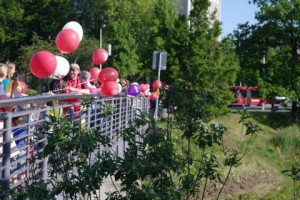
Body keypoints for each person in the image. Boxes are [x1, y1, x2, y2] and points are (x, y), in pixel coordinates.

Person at [11, 116, 28, 185]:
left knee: (13, 169)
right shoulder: (23, 130)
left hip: (14, 151)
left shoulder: (11, 131)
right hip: (22, 150)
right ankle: (22, 184)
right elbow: (26, 141)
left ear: (12, 122)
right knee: (21, 168)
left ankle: (14, 186)